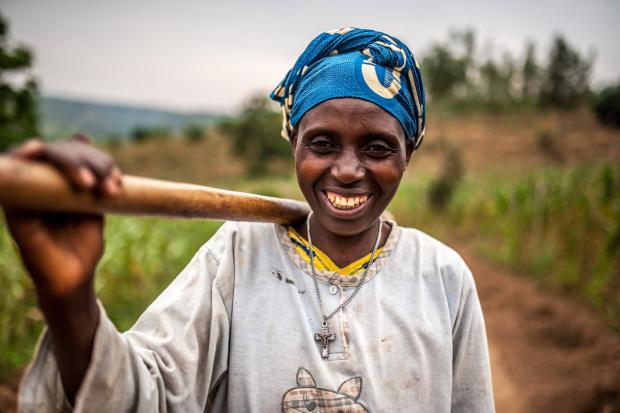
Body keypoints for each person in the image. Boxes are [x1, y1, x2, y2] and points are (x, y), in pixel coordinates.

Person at [4, 28, 495, 412]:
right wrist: (69, 300)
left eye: (378, 147)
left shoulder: (442, 277)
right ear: (294, 143)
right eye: (322, 143)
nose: (347, 171)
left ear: (409, 151)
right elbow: (146, 395)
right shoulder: (239, 254)